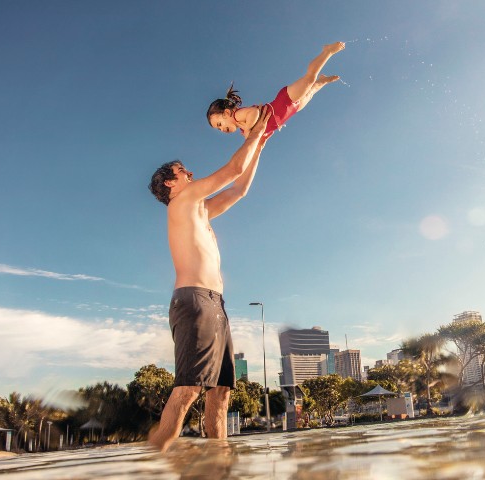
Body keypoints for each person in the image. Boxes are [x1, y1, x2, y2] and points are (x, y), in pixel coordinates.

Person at [146, 104, 272, 453]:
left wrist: (257, 146)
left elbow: (239, 189)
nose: (189, 172)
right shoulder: (181, 201)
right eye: (182, 171)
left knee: (221, 391)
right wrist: (257, 132)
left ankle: (219, 467)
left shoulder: (198, 209)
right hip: (194, 300)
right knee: (188, 389)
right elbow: (232, 169)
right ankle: (150, 460)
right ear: (171, 183)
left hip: (215, 304)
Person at [206, 41, 345, 140]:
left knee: (308, 79)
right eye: (218, 129)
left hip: (284, 101)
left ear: (227, 112)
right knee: (310, 92)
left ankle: (327, 51)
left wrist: (249, 129)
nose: (221, 129)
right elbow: (264, 128)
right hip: (290, 110)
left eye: (219, 124)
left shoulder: (238, 116)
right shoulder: (242, 127)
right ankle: (322, 80)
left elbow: (253, 112)